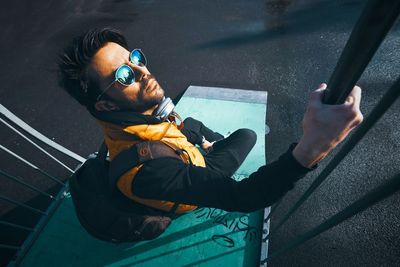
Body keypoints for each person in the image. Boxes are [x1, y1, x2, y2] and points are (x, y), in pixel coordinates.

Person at [58, 27, 363, 214]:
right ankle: (209, 147)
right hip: (183, 182)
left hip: (177, 154)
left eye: (134, 59)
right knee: (246, 135)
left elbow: (170, 129)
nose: (143, 72)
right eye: (124, 76)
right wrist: (313, 147)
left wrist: (199, 141)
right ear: (106, 104)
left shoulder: (126, 122)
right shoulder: (151, 172)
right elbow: (242, 197)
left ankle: (207, 144)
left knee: (188, 122)